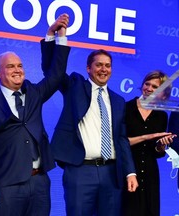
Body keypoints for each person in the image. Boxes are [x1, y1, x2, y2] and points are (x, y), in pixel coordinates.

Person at [0, 14, 70, 216]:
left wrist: (55, 36)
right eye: (10, 66)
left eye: (19, 65)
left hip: (39, 182)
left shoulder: (34, 93)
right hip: (5, 185)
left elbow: (56, 74)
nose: (17, 70)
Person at [40, 23, 139, 216]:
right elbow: (52, 71)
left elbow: (121, 139)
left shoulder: (118, 101)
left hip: (112, 173)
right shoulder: (75, 87)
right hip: (80, 171)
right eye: (99, 65)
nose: (104, 69)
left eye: (108, 65)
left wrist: (130, 172)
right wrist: (56, 37)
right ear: (88, 68)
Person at [122, 70, 175, 216]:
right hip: (127, 171)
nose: (149, 89)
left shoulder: (162, 116)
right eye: (147, 84)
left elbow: (158, 153)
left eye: (155, 87)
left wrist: (161, 145)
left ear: (163, 94)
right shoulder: (125, 108)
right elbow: (118, 143)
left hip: (150, 174)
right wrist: (147, 137)